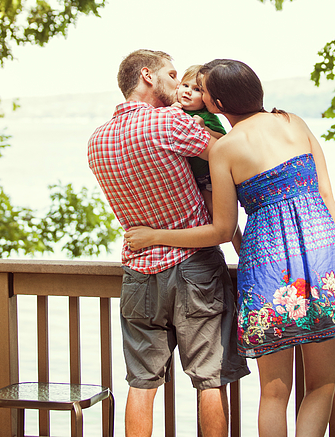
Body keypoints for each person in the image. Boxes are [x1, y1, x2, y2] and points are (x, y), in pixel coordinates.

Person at [125, 58, 335, 437]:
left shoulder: (225, 149)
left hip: (267, 271)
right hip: (322, 259)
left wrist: (154, 235)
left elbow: (221, 230)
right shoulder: (294, 123)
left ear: (216, 103)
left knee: (272, 394)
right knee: (322, 384)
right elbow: (326, 194)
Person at [87, 50, 249, 437]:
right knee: (209, 380)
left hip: (139, 273)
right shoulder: (168, 122)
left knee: (141, 383)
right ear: (147, 75)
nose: (178, 85)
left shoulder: (97, 141)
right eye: (172, 75)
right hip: (195, 271)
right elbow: (228, 155)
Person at [175, 64, 226, 212]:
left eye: (196, 89)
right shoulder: (173, 110)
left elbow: (223, 138)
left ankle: (230, 235)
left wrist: (204, 128)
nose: (188, 92)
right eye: (185, 85)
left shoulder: (207, 116)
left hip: (207, 175)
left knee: (214, 210)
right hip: (188, 178)